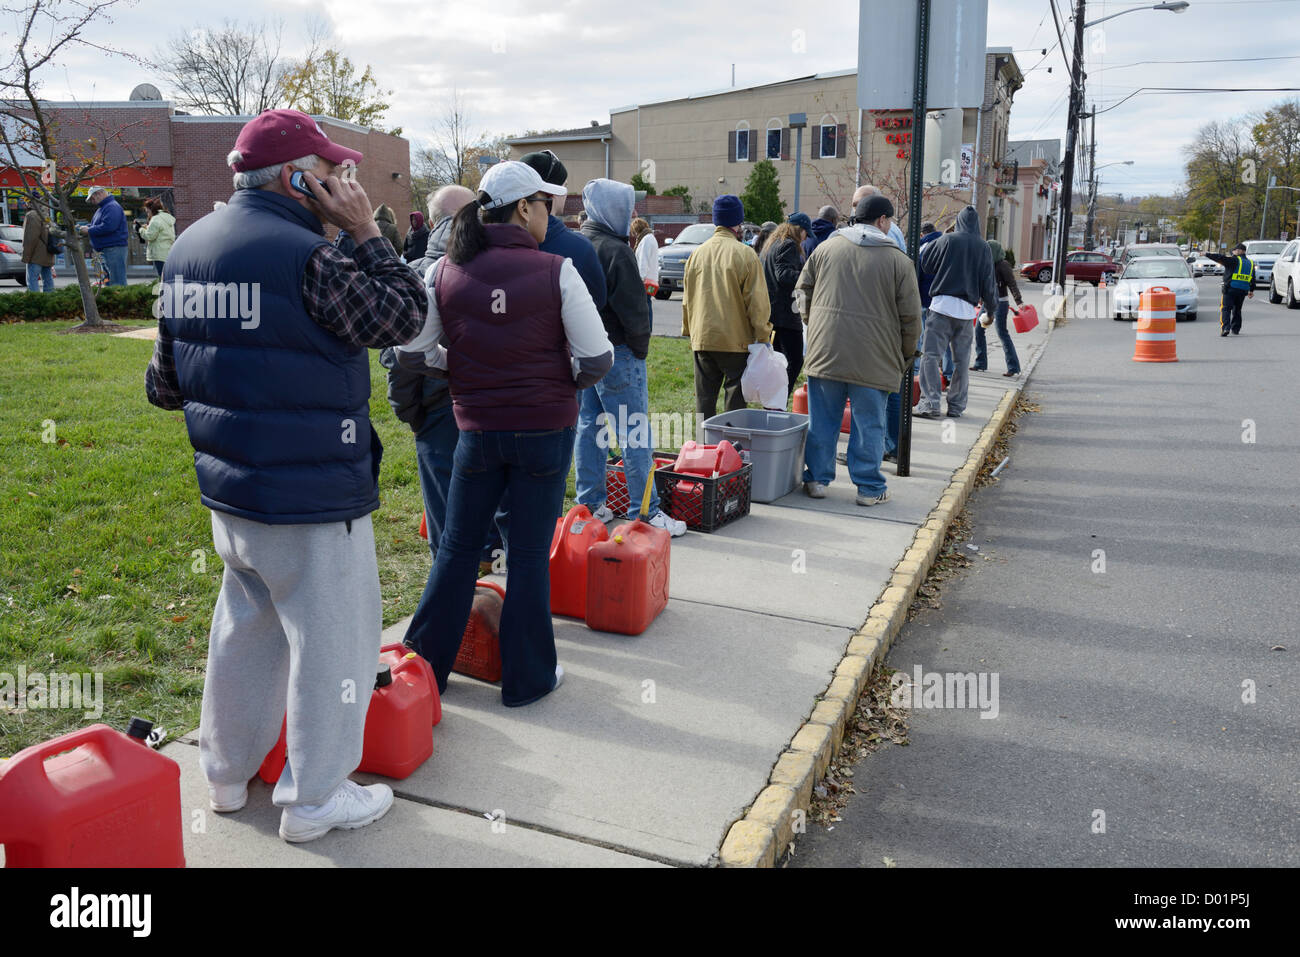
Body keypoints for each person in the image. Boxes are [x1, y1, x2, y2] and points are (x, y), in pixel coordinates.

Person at [143, 108, 428, 842]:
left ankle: (227, 775)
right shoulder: (311, 256)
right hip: (311, 496)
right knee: (333, 644)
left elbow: (165, 385)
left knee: (245, 634)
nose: (346, 183)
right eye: (333, 173)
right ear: (299, 179)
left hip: (231, 494)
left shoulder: (188, 248)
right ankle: (314, 798)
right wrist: (367, 231)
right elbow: (404, 315)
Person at [396, 160, 614, 707]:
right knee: (528, 554)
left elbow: (413, 353)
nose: (551, 215)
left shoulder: (444, 270)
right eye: (546, 204)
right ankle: (528, 679)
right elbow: (597, 357)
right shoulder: (555, 269)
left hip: (477, 431)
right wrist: (549, 379)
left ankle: (425, 671)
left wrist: (464, 369)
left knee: (457, 550)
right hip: (544, 432)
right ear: (524, 208)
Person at [575, 181, 686, 536]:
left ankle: (591, 505)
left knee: (589, 427)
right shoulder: (616, 251)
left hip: (585, 354)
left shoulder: (579, 244)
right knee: (634, 432)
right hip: (619, 352)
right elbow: (636, 312)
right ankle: (647, 512)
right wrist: (639, 349)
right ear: (612, 209)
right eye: (628, 206)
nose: (634, 213)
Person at [796, 194, 922, 506]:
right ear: (882, 220)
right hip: (875, 357)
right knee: (869, 424)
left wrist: (815, 324)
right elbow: (911, 318)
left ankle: (817, 479)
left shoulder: (825, 249)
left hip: (825, 350)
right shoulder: (898, 262)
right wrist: (906, 356)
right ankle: (868, 487)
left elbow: (802, 292)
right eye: (890, 220)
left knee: (822, 420)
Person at [681, 195, 772, 417]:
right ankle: (732, 446)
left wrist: (689, 330)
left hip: (703, 338)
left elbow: (687, 299)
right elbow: (757, 303)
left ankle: (704, 446)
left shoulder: (697, 254)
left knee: (705, 400)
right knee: (735, 401)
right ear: (738, 223)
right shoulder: (746, 254)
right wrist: (764, 336)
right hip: (735, 341)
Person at [915, 206, 997, 419]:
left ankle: (931, 403)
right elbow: (989, 283)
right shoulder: (984, 247)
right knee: (961, 361)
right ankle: (956, 406)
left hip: (941, 307)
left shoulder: (948, 239)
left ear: (958, 221)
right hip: (967, 312)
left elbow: (927, 264)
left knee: (931, 356)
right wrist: (991, 310)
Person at [762, 221, 806, 397]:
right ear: (799, 230)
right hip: (786, 314)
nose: (806, 238)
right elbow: (784, 275)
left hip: (772, 313)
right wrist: (807, 274)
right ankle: (779, 398)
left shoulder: (773, 243)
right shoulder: (789, 244)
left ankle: (774, 401)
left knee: (778, 362)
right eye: (806, 233)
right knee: (795, 360)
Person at [971, 239, 1023, 377]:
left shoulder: (1003, 265)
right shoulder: (985, 264)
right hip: (987, 303)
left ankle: (1013, 367)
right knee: (978, 331)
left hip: (1000, 303)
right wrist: (979, 300)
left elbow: (1012, 284)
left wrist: (1019, 301)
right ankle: (980, 363)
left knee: (1002, 333)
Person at [79, 186, 128, 286]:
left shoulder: (111, 207)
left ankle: (119, 301)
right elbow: (103, 225)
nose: (92, 201)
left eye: (92, 198)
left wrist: (89, 230)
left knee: (117, 282)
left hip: (113, 249)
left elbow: (109, 226)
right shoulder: (105, 207)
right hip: (109, 249)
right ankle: (114, 300)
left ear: (99, 193)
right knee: (111, 280)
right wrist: (88, 227)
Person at [1206, 242, 1254, 336]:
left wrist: (1207, 254)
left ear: (1240, 251)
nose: (1233, 252)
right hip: (1243, 290)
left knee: (1225, 308)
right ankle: (1236, 329)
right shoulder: (1250, 263)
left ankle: (1225, 328)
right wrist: (1251, 290)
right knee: (1237, 309)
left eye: (1234, 250)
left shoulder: (1234, 260)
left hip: (1230, 288)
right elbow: (1252, 278)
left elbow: (1220, 258)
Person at [21, 197, 60, 293]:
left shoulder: (31, 215)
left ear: (30, 203)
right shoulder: (46, 215)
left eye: (27, 202)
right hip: (48, 253)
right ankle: (50, 303)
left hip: (36, 255)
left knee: (32, 280)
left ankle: (36, 304)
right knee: (48, 280)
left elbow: (30, 239)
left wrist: (26, 257)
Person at [136, 197, 175, 277]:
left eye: (147, 211)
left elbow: (149, 236)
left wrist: (140, 229)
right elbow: (161, 232)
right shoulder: (165, 217)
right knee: (167, 276)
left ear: (151, 209)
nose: (147, 214)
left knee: (162, 278)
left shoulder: (155, 219)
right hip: (168, 251)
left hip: (159, 253)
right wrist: (147, 227)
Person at [630, 216, 659, 312]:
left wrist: (640, 279)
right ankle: (649, 327)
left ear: (636, 230)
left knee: (645, 305)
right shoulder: (651, 238)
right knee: (648, 303)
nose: (633, 235)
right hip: (652, 280)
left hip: (645, 281)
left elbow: (643, 261)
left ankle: (648, 327)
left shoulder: (645, 240)